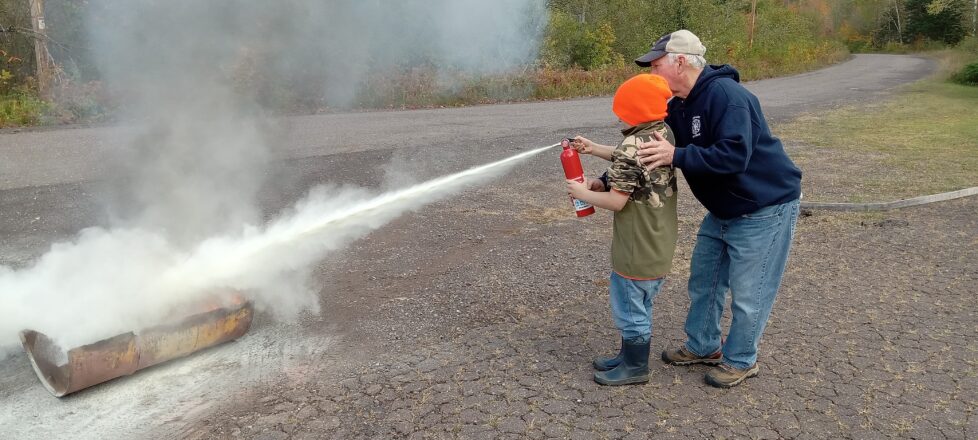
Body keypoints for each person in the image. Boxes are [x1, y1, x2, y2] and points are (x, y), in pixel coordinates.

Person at [633, 29, 802, 388]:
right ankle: (703, 345)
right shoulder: (678, 104)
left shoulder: (727, 96)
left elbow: (735, 156)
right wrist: (606, 176)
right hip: (724, 210)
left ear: (680, 61)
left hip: (764, 208)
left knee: (749, 292)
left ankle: (741, 359)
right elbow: (648, 146)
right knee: (704, 281)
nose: (650, 73)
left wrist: (677, 156)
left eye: (656, 64)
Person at [565, 73, 677, 386]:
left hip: (635, 246)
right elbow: (627, 159)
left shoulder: (632, 144)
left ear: (634, 110)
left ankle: (636, 367)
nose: (617, 115)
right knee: (639, 302)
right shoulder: (659, 133)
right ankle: (628, 357)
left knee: (630, 306)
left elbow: (616, 201)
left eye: (622, 109)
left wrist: (582, 193)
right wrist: (593, 148)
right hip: (658, 239)